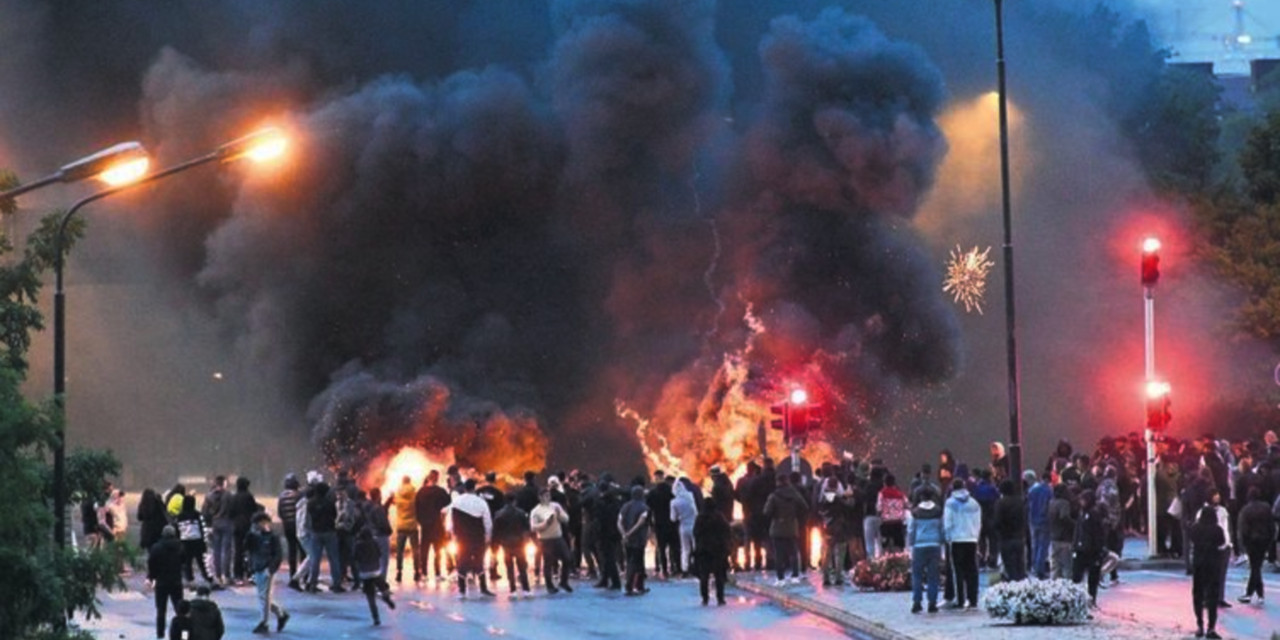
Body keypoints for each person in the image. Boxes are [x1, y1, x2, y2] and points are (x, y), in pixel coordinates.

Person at [243, 511, 289, 634]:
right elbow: (246, 547)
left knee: (264, 596)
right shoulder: (253, 536)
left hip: (267, 569)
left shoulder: (272, 537)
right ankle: (280, 614)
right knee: (263, 597)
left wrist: (271, 569)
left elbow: (278, 555)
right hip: (257, 568)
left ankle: (264, 622)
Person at [451, 479, 495, 598]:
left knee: (462, 562)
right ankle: (483, 588)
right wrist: (488, 537)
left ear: (464, 488)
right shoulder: (481, 503)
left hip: (462, 538)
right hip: (477, 537)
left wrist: (452, 535)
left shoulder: (457, 502)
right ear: (474, 488)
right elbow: (488, 522)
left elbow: (452, 521)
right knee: (479, 562)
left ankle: (462, 590)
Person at [943, 477, 982, 609]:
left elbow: (947, 523)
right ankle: (973, 599)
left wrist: (948, 538)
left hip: (956, 540)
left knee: (957, 571)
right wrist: (976, 537)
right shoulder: (974, 503)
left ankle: (959, 599)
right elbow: (978, 523)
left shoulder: (950, 503)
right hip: (971, 539)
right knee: (972, 570)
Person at [763, 472, 806, 587]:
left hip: (777, 527)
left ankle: (780, 578)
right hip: (792, 526)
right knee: (793, 552)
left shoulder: (773, 496)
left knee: (779, 554)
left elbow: (766, 512)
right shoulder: (795, 494)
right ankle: (795, 575)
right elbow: (804, 506)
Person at [1190, 506, 1226, 639]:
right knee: (1212, 597)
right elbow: (1222, 543)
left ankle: (1199, 624)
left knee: (1198, 594)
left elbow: (1191, 539)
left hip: (1198, 564)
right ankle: (1211, 627)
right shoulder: (1217, 530)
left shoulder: (1195, 528)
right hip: (1213, 564)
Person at [907, 486, 944, 614]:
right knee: (933, 575)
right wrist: (941, 541)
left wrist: (911, 543)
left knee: (917, 575)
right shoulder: (938, 511)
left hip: (919, 545)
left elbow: (911, 530)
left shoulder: (915, 512)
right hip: (934, 545)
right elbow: (941, 528)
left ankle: (917, 602)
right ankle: (932, 602)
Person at [532, 485, 574, 594]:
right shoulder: (536, 511)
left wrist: (560, 514)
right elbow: (533, 527)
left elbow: (566, 519)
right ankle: (549, 586)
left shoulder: (555, 506)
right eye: (545, 496)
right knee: (548, 563)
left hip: (558, 537)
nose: (548, 498)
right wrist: (545, 524)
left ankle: (563, 581)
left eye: (548, 495)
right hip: (545, 540)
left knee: (567, 558)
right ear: (540, 497)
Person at [306, 479, 344, 593]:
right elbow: (334, 515)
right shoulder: (330, 502)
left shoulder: (310, 503)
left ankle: (312, 583)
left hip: (316, 532)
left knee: (315, 559)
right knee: (334, 559)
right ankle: (337, 584)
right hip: (329, 532)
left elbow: (309, 517)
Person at [1238, 486, 1275, 604]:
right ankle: (1259, 594)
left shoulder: (1246, 510)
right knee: (1256, 567)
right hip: (1264, 540)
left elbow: (1243, 529)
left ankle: (1250, 593)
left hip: (1252, 541)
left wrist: (1243, 544)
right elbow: (1271, 525)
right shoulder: (1266, 508)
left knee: (1255, 567)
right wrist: (1270, 540)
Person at [414, 470, 452, 583]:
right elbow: (448, 504)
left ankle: (424, 573)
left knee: (424, 550)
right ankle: (437, 573)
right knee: (438, 551)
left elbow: (416, 509)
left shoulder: (420, 492)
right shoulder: (440, 491)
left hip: (425, 526)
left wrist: (421, 522)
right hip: (437, 525)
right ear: (436, 478)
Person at [149, 525, 185, 639]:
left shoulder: (156, 547)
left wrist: (152, 576)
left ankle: (160, 634)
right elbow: (184, 560)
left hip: (161, 582)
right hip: (176, 581)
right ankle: (180, 633)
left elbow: (152, 563)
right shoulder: (180, 546)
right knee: (179, 609)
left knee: (161, 610)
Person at [493, 492, 533, 596]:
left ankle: (513, 589)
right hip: (519, 543)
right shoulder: (521, 513)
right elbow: (527, 528)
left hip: (506, 544)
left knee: (509, 567)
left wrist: (495, 547)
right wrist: (527, 540)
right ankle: (526, 589)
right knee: (522, 566)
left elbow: (496, 532)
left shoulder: (499, 514)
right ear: (515, 501)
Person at [354, 527, 395, 625]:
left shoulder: (357, 545)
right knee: (383, 586)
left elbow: (355, 558)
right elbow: (379, 554)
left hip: (364, 573)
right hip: (375, 571)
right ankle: (386, 597)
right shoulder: (374, 543)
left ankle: (376, 618)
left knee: (370, 597)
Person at [1071, 490, 1107, 606]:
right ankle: (1078, 599)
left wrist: (1098, 549)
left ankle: (1091, 600)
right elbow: (1078, 531)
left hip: (1091, 550)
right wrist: (1075, 545)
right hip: (1081, 549)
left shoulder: (1094, 514)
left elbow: (1098, 534)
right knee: (1077, 576)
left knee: (1092, 577)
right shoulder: (1082, 513)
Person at [815, 475, 851, 587]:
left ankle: (826, 577)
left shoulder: (822, 498)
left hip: (826, 528)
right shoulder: (838, 499)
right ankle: (838, 577)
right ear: (836, 486)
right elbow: (849, 507)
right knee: (839, 553)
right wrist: (848, 496)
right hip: (839, 528)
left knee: (826, 553)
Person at [175, 494, 215, 587]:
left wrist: (178, 541)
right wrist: (205, 540)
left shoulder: (179, 516)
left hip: (185, 541)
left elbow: (177, 530)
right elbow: (202, 527)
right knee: (201, 561)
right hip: (197, 541)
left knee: (187, 562)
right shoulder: (197, 515)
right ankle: (208, 578)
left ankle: (190, 579)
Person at [992, 479, 1027, 581]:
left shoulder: (1000, 503)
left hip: (1005, 537)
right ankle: (1020, 584)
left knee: (1009, 565)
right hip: (1019, 536)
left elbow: (997, 521)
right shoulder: (1020, 502)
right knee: (1019, 563)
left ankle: (1012, 585)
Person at [619, 485, 650, 595]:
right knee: (637, 562)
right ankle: (631, 585)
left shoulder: (625, 506)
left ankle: (639, 585)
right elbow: (641, 522)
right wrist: (630, 533)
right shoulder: (644, 507)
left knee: (629, 560)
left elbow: (619, 522)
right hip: (638, 539)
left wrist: (624, 534)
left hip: (627, 541)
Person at [228, 477, 261, 584]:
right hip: (248, 525)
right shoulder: (248, 496)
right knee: (251, 550)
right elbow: (254, 509)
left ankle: (238, 575)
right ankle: (250, 573)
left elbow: (230, 512)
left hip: (237, 527)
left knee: (238, 551)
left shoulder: (234, 497)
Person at [646, 471, 676, 579]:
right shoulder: (671, 491)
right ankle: (675, 568)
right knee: (673, 547)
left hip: (659, 524)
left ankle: (663, 569)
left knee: (661, 548)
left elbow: (648, 509)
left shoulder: (652, 493)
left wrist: (650, 523)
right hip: (672, 523)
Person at [391, 475, 420, 583]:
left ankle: (399, 572)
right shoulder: (415, 495)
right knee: (415, 550)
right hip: (413, 526)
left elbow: (393, 502)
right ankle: (417, 571)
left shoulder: (398, 495)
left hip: (401, 526)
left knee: (400, 551)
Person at [277, 474, 304, 589]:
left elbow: (280, 512)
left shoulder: (282, 496)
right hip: (298, 526)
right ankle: (302, 576)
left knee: (292, 551)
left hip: (287, 526)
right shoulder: (299, 495)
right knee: (303, 551)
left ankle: (292, 575)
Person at [1025, 470, 1052, 579]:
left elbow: (1028, 504)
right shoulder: (1049, 491)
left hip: (1032, 520)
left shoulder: (1033, 491)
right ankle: (1039, 568)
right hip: (1044, 521)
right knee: (1043, 546)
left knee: (1034, 544)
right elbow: (1048, 506)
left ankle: (1033, 566)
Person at [1048, 483, 1076, 580]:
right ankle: (1067, 586)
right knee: (1067, 565)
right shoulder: (1064, 503)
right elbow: (1064, 517)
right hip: (1064, 538)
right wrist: (1075, 524)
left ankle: (1054, 585)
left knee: (1055, 565)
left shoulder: (1051, 502)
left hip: (1053, 537)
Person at [670, 479, 698, 578]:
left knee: (685, 549)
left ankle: (685, 569)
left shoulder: (674, 502)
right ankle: (697, 567)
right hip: (694, 524)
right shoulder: (690, 496)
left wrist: (679, 516)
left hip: (683, 526)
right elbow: (695, 511)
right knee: (696, 547)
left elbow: (673, 518)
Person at [877, 475, 908, 552]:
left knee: (886, 546)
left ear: (885, 483)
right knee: (899, 545)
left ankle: (887, 560)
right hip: (898, 522)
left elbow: (879, 508)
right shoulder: (900, 494)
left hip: (886, 523)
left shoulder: (882, 493)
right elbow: (907, 504)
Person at [138, 488, 169, 554]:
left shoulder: (143, 505)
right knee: (159, 551)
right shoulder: (157, 503)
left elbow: (139, 517)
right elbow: (164, 512)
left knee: (150, 551)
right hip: (158, 530)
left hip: (147, 531)